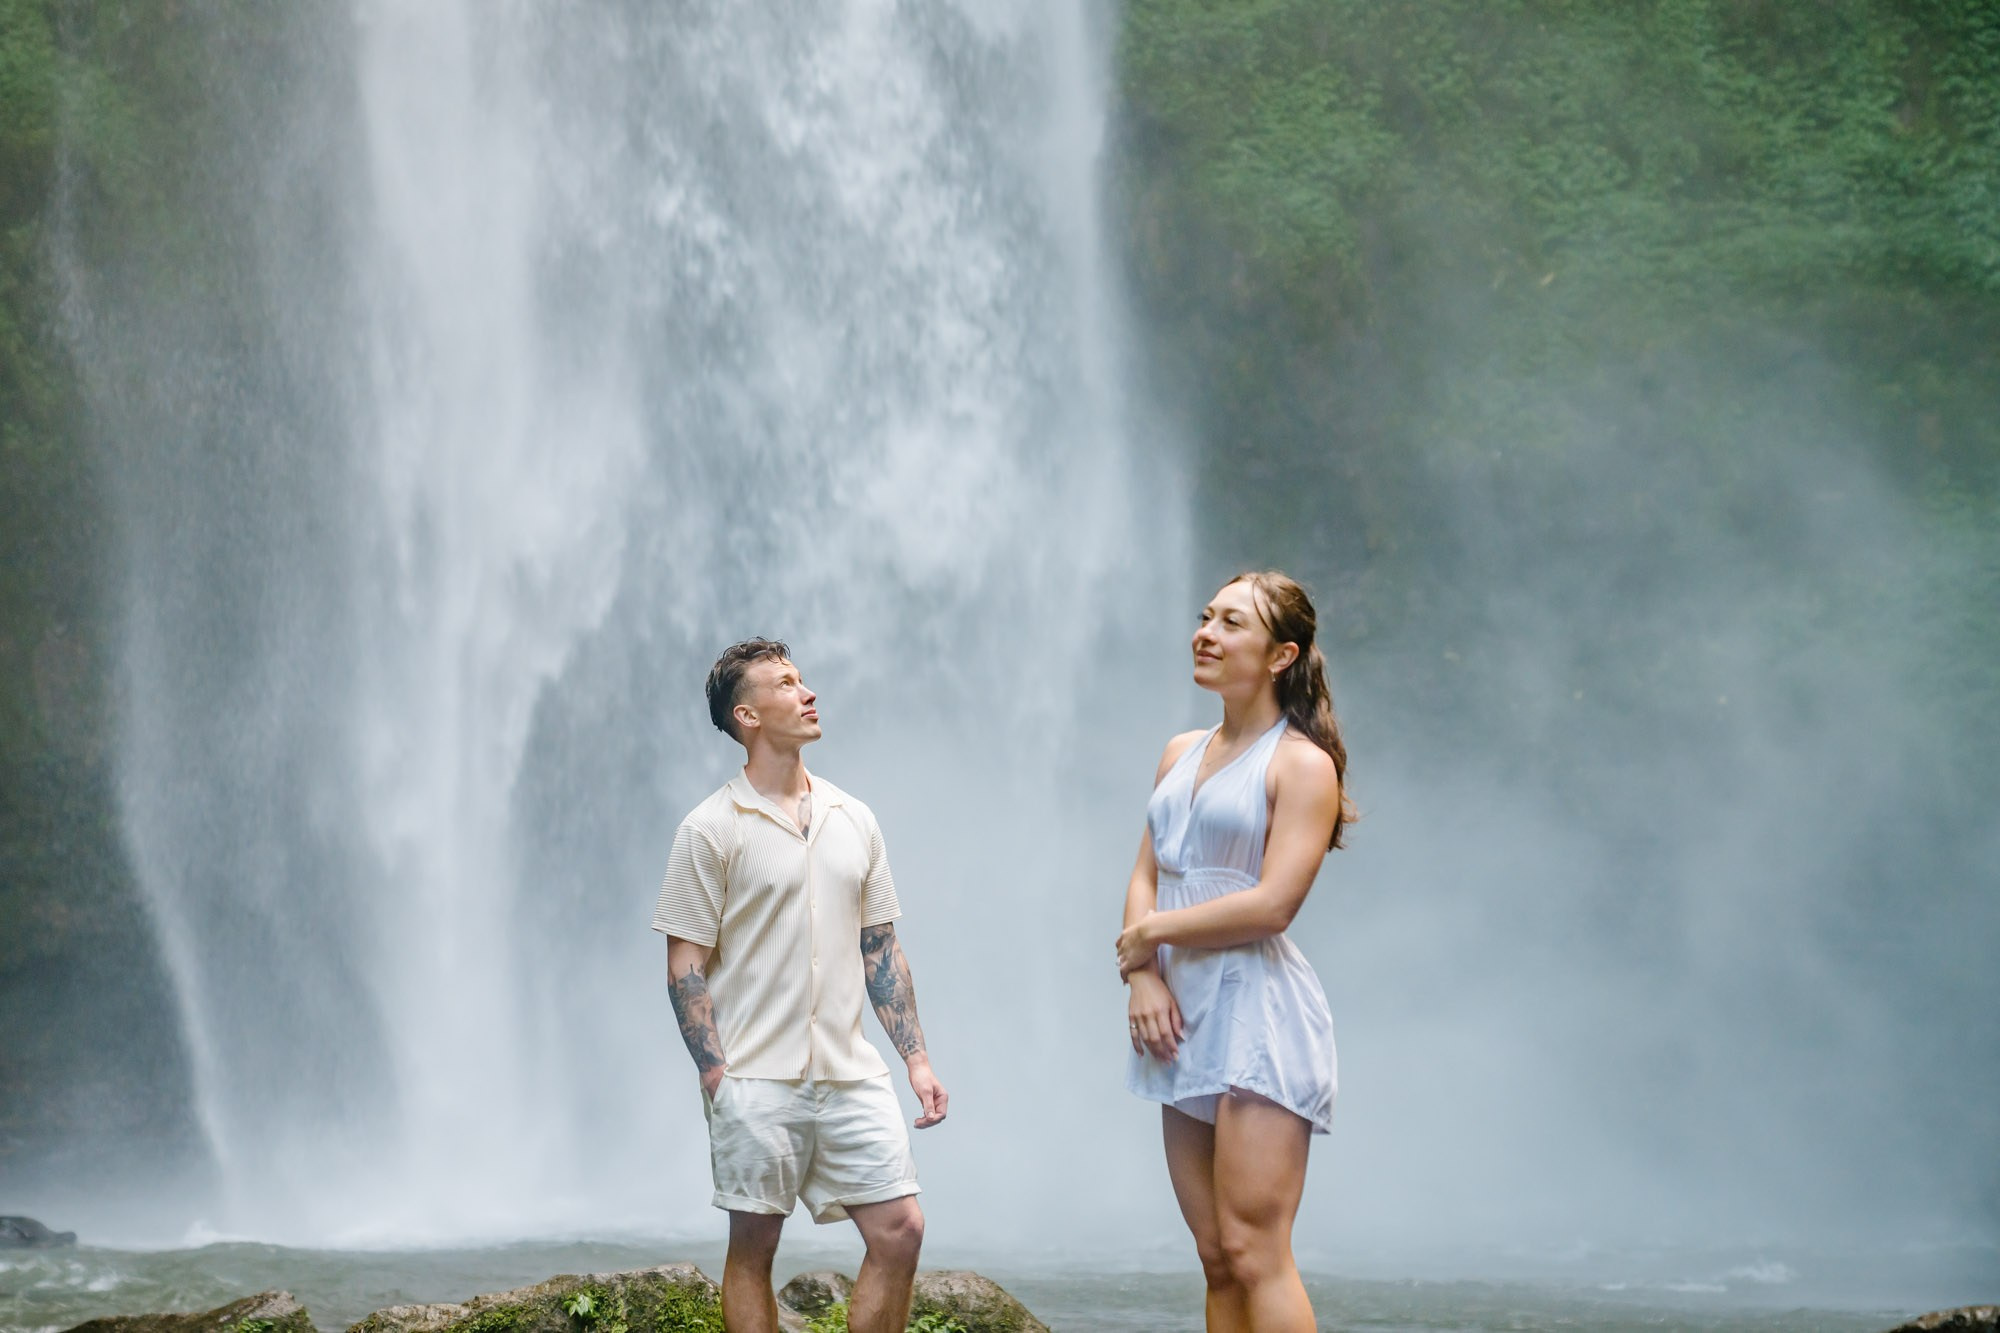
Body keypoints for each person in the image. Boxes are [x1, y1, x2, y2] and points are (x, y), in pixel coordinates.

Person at [654, 638, 948, 1333]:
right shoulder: (709, 828)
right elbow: (684, 961)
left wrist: (917, 1057)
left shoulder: (855, 818)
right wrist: (715, 1070)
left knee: (901, 1228)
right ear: (747, 715)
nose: (807, 691)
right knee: (754, 1247)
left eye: (802, 679)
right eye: (786, 684)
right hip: (754, 1074)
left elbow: (881, 947)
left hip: (852, 1070)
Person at [1114, 571, 1353, 1333]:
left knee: (1257, 1250)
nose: (1206, 633)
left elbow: (1273, 904)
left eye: (1231, 624)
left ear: (1281, 654)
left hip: (1257, 1012)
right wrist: (1142, 975)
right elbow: (1147, 871)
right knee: (1215, 1252)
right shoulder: (1181, 751)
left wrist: (1152, 937)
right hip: (1177, 1009)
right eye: (1205, 616)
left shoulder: (1302, 764)